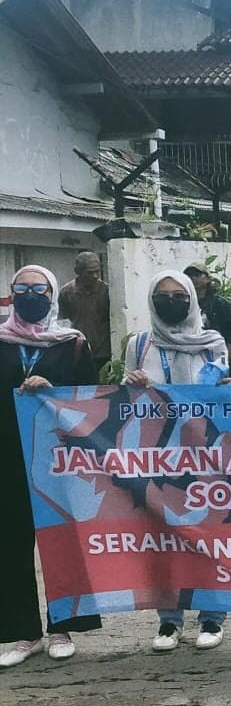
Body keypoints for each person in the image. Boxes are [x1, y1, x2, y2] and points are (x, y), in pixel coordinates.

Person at [121, 270, 231, 651]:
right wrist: (131, 383)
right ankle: (169, 622)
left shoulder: (212, 343)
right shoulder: (139, 344)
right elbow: (125, 400)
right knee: (165, 537)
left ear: (192, 299)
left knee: (208, 536)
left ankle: (212, 619)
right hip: (159, 455)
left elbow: (218, 389)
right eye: (163, 296)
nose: (172, 302)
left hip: (205, 454)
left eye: (178, 296)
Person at [0, 266, 101, 668]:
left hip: (59, 457)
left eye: (38, 288)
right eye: (21, 288)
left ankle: (63, 627)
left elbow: (91, 399)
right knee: (10, 544)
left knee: (61, 541)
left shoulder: (72, 343)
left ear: (52, 292)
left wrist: (51, 391)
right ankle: (24, 634)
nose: (30, 294)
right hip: (7, 454)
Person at [57, 251, 111, 371]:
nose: (95, 276)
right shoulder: (66, 292)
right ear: (78, 272)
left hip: (104, 354)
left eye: (97, 271)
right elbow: (62, 324)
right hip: (77, 352)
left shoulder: (107, 291)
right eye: (90, 272)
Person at [183, 263, 231, 348]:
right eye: (189, 275)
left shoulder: (220, 304)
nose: (193, 278)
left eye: (197, 275)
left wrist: (225, 357)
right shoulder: (183, 302)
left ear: (208, 278)